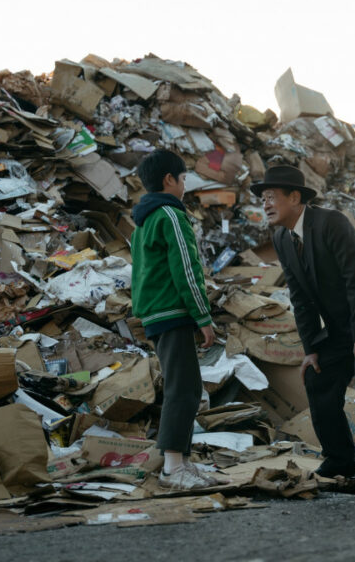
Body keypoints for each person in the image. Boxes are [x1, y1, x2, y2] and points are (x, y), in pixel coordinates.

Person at [251, 163, 355, 483]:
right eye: (262, 199)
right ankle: (340, 460)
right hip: (346, 321)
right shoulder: (282, 239)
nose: (265, 204)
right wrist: (312, 348)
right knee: (318, 375)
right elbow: (300, 297)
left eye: (271, 197)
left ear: (295, 197)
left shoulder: (331, 223)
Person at [131, 148, 220, 490]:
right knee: (182, 387)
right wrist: (203, 316)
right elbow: (186, 268)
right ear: (169, 179)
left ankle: (180, 459)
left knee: (185, 385)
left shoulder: (145, 218)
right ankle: (172, 466)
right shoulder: (169, 214)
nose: (185, 186)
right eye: (183, 179)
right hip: (172, 311)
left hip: (155, 310)